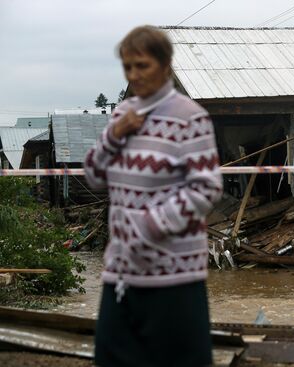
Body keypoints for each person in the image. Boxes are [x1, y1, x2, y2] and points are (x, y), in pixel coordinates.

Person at [84, 25, 222, 367]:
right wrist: (114, 135)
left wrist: (147, 227)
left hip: (174, 279)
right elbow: (94, 176)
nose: (133, 74)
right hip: (120, 274)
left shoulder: (190, 118)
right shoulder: (122, 115)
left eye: (141, 65)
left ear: (165, 65)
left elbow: (206, 187)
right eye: (127, 67)